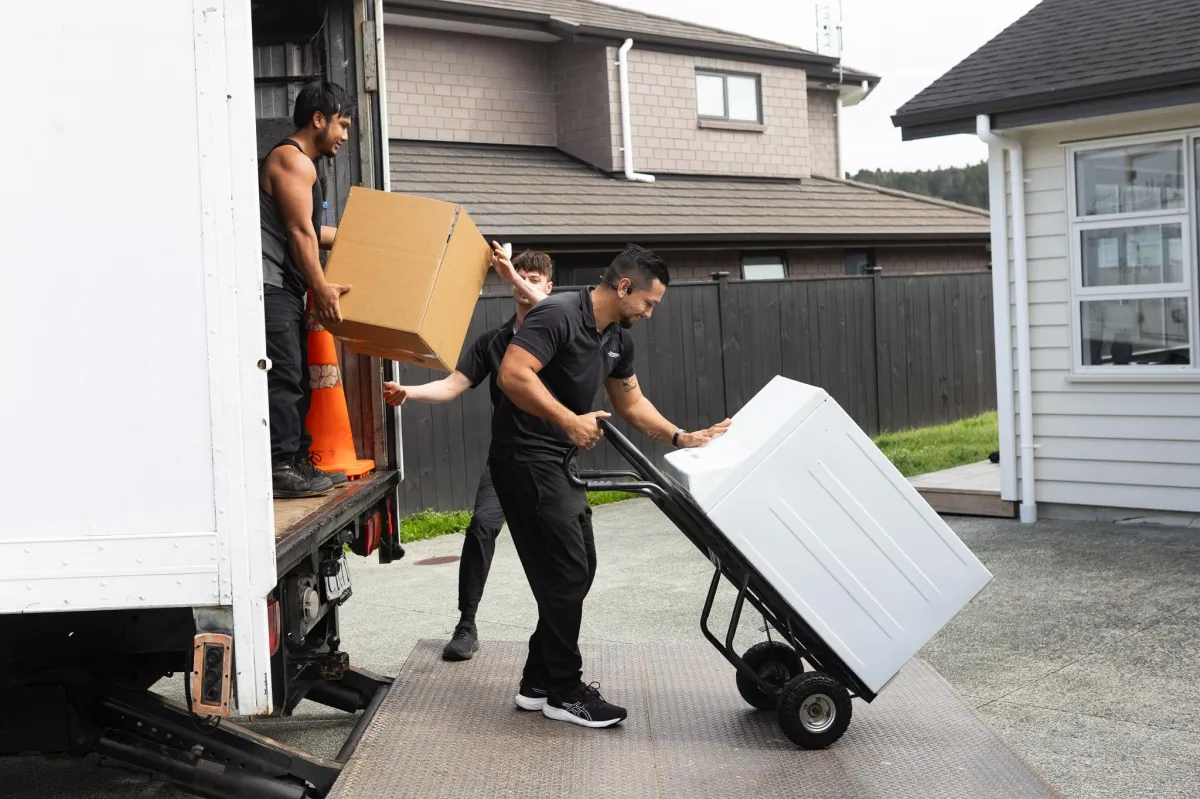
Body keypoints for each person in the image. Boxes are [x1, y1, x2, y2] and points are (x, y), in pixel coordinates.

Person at [492, 244, 732, 729]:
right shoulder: (556, 315)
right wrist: (567, 419)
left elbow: (631, 401)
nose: (648, 313)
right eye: (648, 303)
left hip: (558, 462)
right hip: (526, 458)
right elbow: (513, 375)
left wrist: (682, 436)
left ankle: (538, 682)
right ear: (624, 287)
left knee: (578, 570)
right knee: (567, 573)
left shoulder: (617, 336)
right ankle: (564, 691)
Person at [382, 247, 552, 661]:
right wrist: (410, 393)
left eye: (533, 279)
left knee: (554, 547)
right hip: (506, 460)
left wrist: (510, 273)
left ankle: (553, 632)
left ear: (549, 287)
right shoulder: (494, 342)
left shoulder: (561, 331)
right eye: (520, 277)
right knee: (480, 529)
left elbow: (561, 313)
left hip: (553, 460)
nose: (523, 284)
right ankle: (466, 624)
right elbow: (453, 384)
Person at [259, 81, 354, 498]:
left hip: (286, 291)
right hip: (272, 286)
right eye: (342, 125)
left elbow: (314, 230)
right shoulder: (291, 160)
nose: (344, 136)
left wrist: (372, 237)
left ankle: (297, 460)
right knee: (285, 377)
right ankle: (281, 466)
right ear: (319, 119)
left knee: (297, 376)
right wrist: (322, 288)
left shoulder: (302, 166)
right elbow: (299, 233)